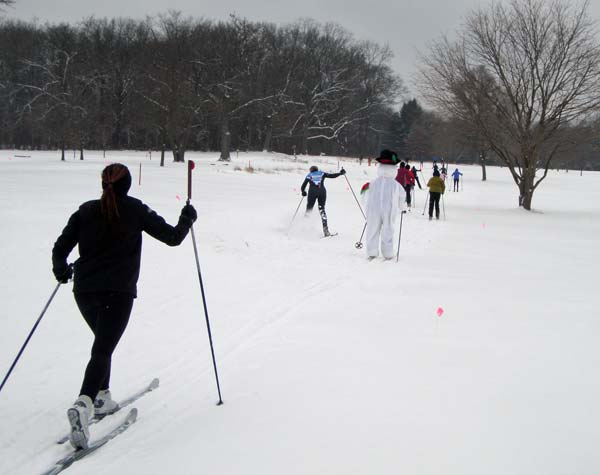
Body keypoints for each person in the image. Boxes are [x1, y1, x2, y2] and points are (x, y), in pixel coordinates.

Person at [52, 163, 197, 450]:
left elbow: (60, 248)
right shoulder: (134, 209)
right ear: (127, 185)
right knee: (103, 348)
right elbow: (172, 237)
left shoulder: (85, 210)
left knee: (102, 343)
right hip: (117, 292)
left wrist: (61, 270)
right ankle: (84, 402)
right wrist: (187, 218)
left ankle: (102, 396)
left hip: (85, 291)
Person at [361, 149, 406, 260]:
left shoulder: (373, 182)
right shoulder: (396, 185)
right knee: (388, 229)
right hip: (389, 210)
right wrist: (402, 206)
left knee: (372, 229)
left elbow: (364, 192)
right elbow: (402, 195)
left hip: (373, 209)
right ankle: (388, 252)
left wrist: (365, 203)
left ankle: (372, 251)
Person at [300, 165, 346, 237]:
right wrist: (340, 173)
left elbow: (303, 186)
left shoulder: (309, 175)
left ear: (311, 170)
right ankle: (326, 231)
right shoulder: (322, 173)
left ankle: (303, 229)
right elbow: (332, 176)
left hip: (312, 193)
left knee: (309, 209)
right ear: (317, 169)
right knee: (322, 210)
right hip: (322, 192)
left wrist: (303, 192)